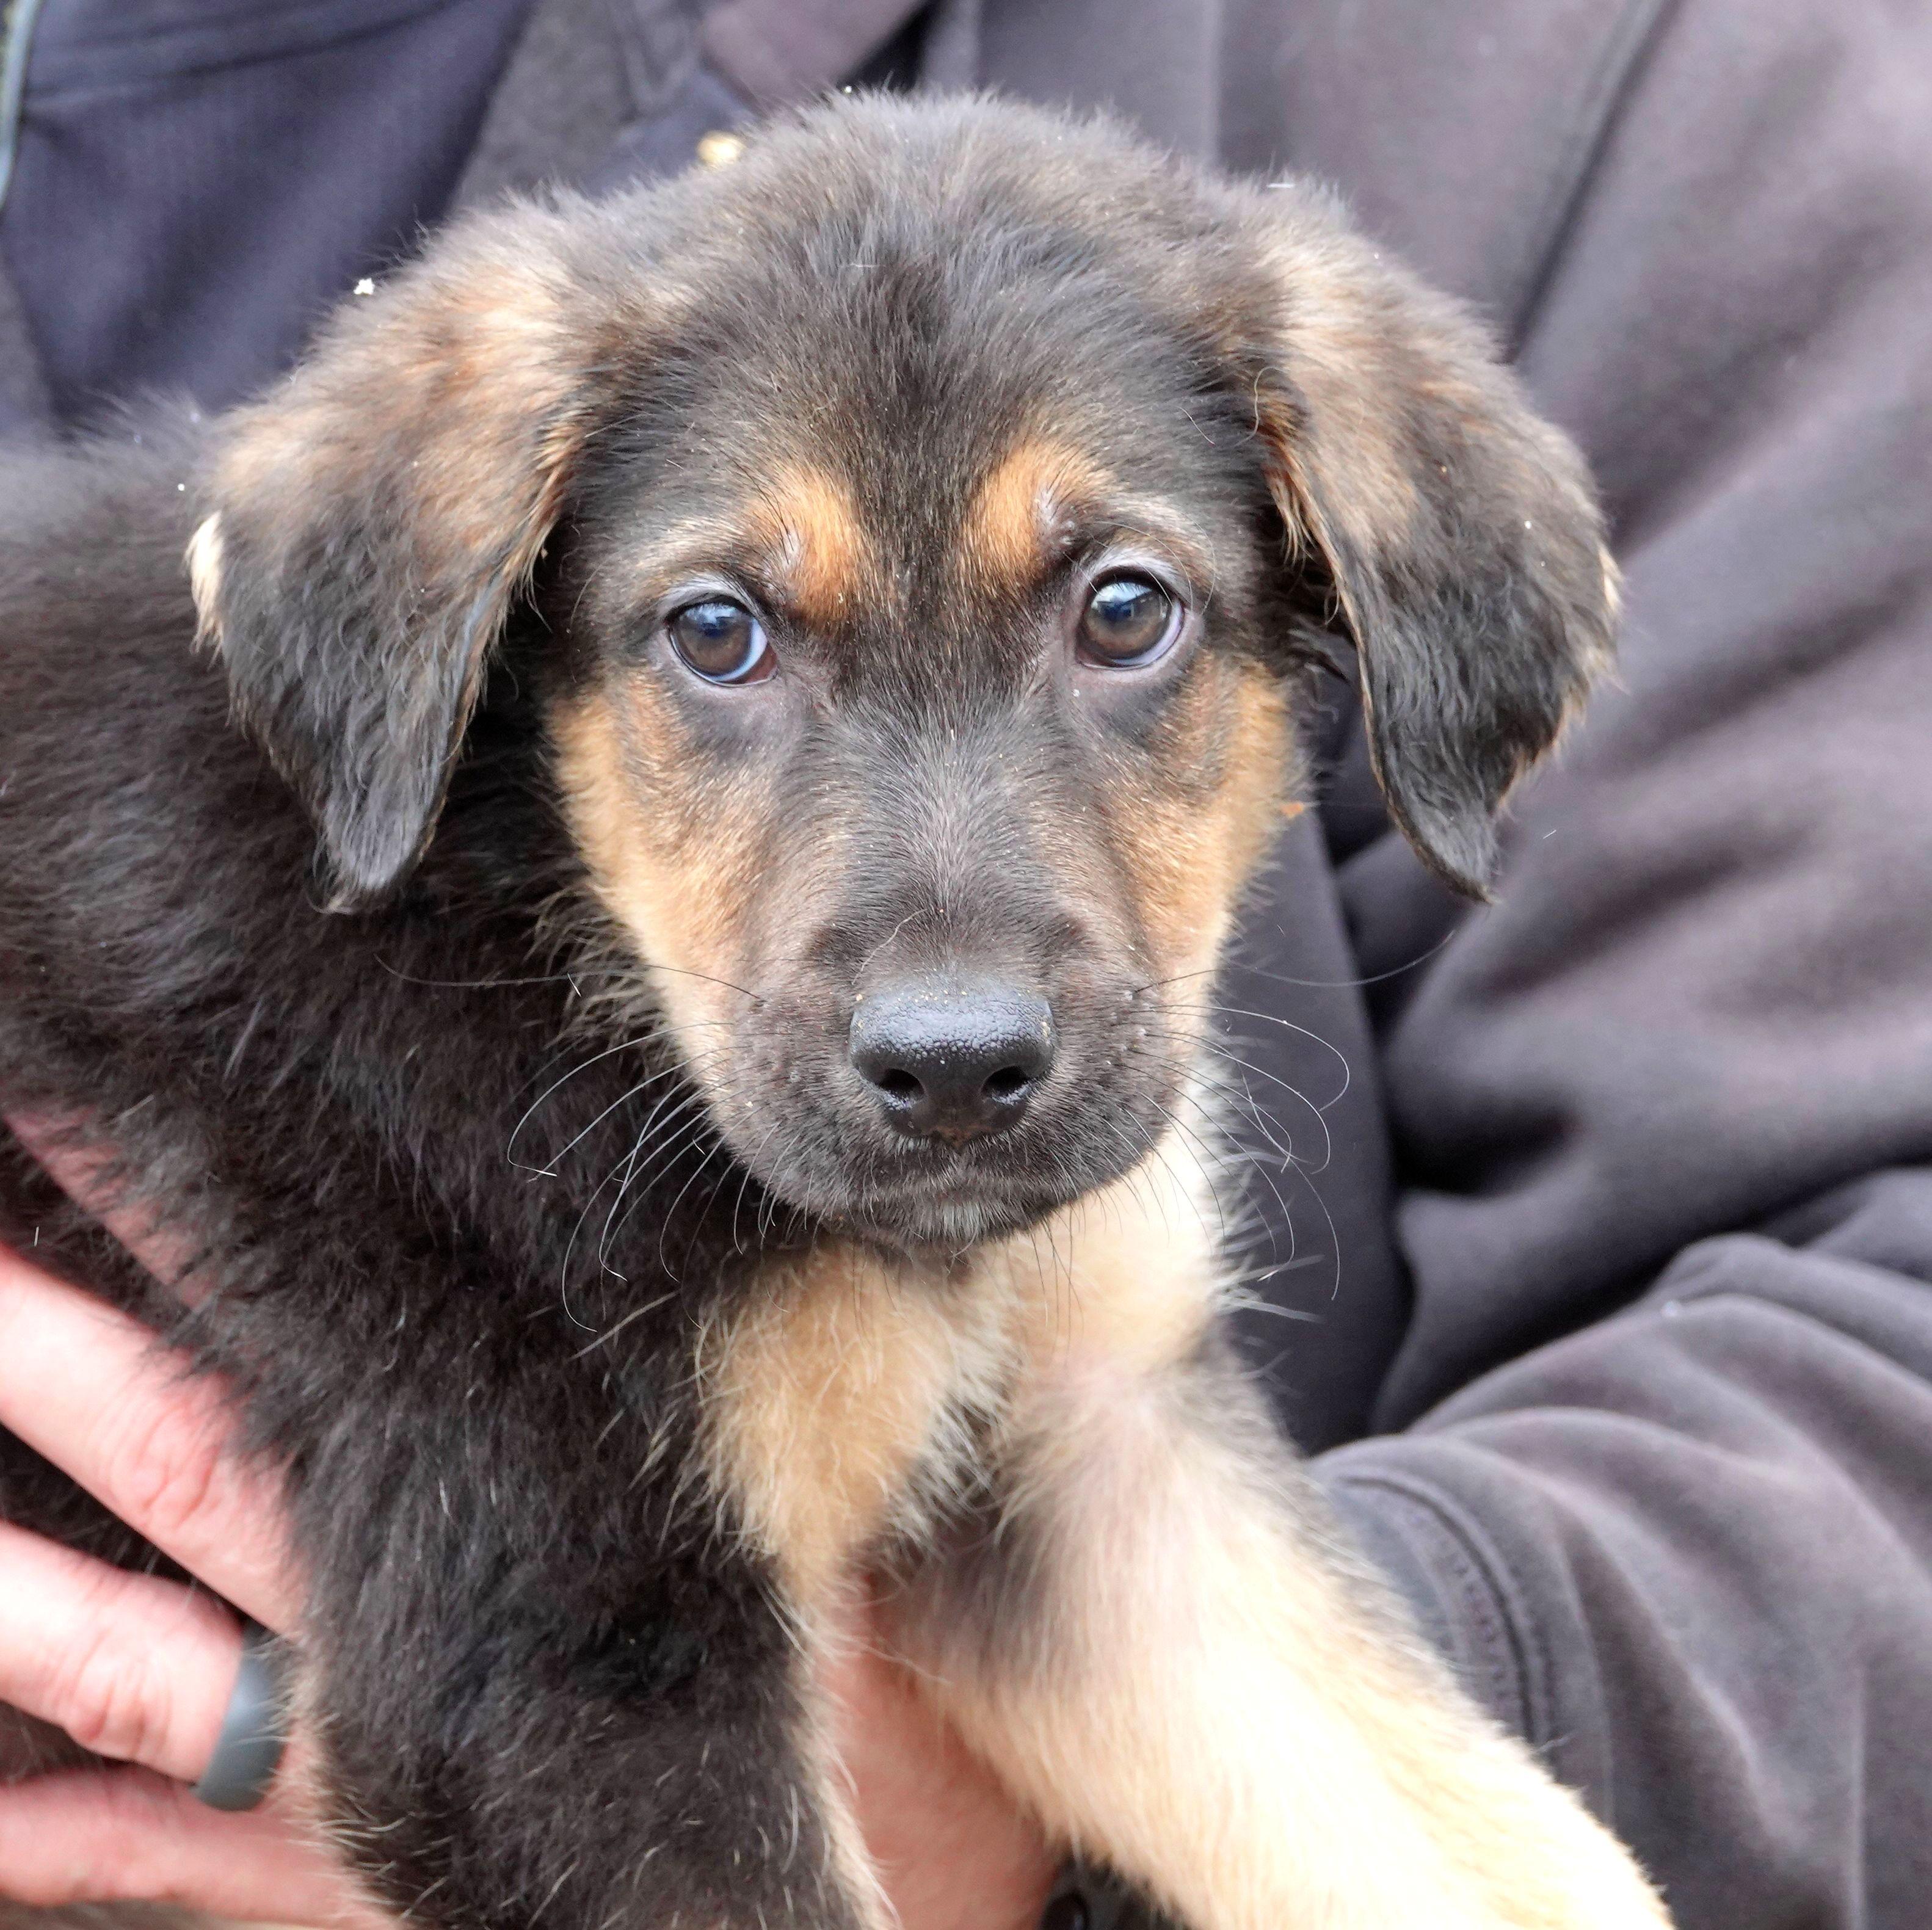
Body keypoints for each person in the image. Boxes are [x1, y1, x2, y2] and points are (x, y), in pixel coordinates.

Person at [2, 0, 1931, 1924]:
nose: (942, 995)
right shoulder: (456, 1065)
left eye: (1120, 615)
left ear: (1328, 620)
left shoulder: (1612, 82)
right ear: (514, 651)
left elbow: (1120, 1539)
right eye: (723, 638)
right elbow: (583, 1732)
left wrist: (1039, 1860)